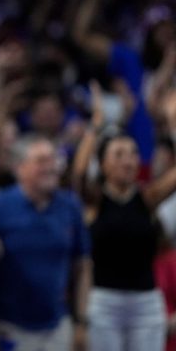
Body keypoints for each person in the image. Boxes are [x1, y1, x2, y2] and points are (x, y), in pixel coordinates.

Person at [71, 82, 176, 351]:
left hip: (146, 302)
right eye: (119, 155)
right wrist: (96, 124)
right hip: (105, 302)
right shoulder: (95, 200)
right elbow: (79, 174)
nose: (128, 161)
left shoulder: (147, 198)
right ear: (103, 164)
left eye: (132, 154)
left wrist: (172, 120)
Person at [0, 136, 91, 351]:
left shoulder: (70, 206)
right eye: (41, 161)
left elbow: (83, 265)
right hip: (9, 326)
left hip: (58, 325)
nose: (51, 167)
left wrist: (81, 321)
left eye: (53, 160)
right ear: (20, 168)